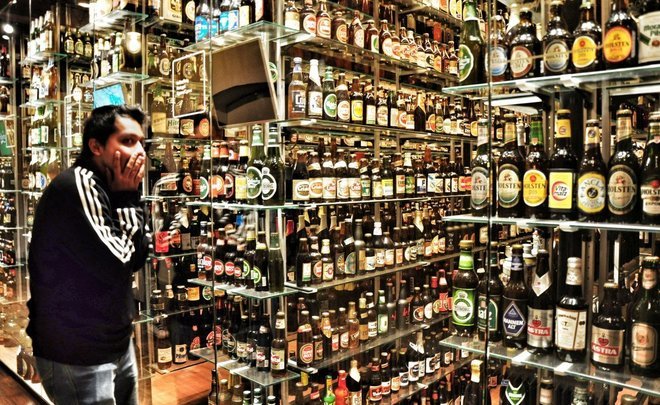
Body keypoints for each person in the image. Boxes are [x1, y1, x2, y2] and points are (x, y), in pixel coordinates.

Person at [27, 105, 149, 405]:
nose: (140, 152)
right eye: (128, 141)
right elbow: (121, 263)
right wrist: (127, 199)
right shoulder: (80, 185)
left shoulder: (114, 187)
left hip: (114, 343)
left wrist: (127, 197)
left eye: (141, 142)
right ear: (96, 146)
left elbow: (138, 256)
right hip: (78, 353)